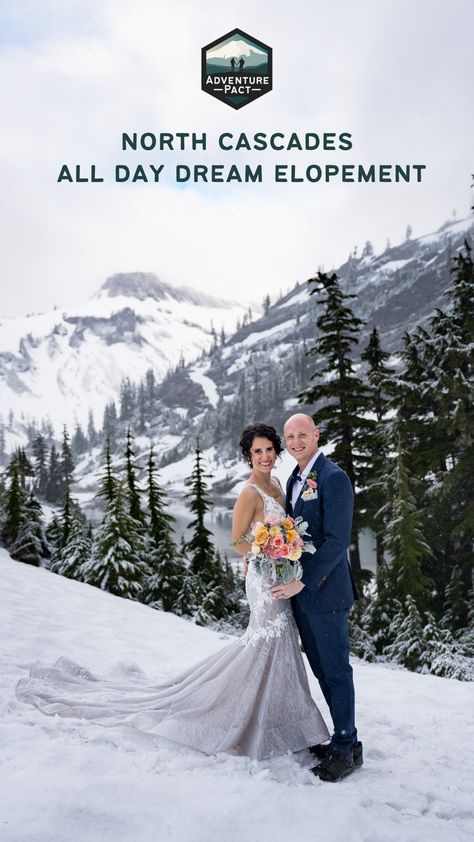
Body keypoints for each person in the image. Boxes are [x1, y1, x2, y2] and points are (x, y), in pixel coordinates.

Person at [16, 423, 328, 763]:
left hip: (278, 574)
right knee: (265, 640)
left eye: (269, 449)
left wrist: (285, 544)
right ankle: (249, 718)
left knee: (277, 643)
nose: (265, 456)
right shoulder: (250, 492)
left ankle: (283, 719)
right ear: (248, 456)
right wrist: (268, 547)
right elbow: (237, 542)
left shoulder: (278, 485)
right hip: (264, 581)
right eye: (257, 452)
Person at [275, 412, 362, 782]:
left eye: (302, 435)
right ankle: (343, 741)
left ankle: (347, 749)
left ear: (316, 435)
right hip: (304, 596)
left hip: (325, 594)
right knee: (322, 670)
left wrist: (303, 582)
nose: (296, 441)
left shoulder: (333, 477)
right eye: (290, 436)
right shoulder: (294, 478)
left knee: (336, 672)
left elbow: (337, 542)